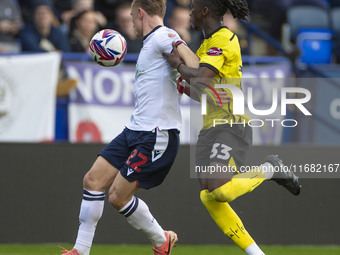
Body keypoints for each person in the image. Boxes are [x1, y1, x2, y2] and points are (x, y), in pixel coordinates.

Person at [163, 0, 301, 254]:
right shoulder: (206, 44)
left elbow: (202, 77)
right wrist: (183, 85)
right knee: (209, 195)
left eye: (193, 7)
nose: (189, 13)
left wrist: (177, 65)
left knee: (220, 189)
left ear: (205, 11)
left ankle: (270, 168)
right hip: (211, 127)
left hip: (231, 124)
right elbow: (206, 91)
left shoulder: (223, 39)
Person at [59, 0, 197, 255]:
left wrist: (181, 59)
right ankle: (80, 250)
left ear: (140, 13)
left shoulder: (164, 36)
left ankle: (160, 239)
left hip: (157, 135)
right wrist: (180, 78)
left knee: (117, 197)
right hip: (135, 130)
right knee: (92, 180)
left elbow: (195, 65)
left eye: (133, 17)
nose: (132, 22)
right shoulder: (151, 44)